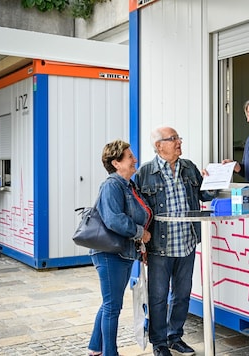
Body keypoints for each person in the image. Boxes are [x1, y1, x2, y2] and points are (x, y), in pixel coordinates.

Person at [134, 126, 217, 356]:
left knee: (182, 294)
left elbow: (204, 194)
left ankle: (175, 337)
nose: (179, 142)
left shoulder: (189, 167)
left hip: (187, 242)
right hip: (160, 246)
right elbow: (138, 208)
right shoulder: (145, 172)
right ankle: (159, 343)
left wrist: (214, 181)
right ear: (159, 146)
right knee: (158, 297)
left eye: (179, 138)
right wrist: (140, 236)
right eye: (173, 139)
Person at [87, 140, 153, 356]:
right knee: (112, 307)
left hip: (122, 253)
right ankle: (110, 353)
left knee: (109, 302)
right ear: (116, 163)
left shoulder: (128, 185)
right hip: (109, 254)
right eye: (129, 157)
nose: (135, 160)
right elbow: (114, 219)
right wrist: (140, 233)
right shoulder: (112, 185)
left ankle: (95, 348)